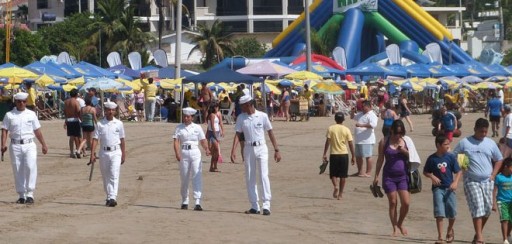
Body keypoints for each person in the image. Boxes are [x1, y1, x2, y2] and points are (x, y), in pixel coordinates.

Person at [453, 118, 503, 244]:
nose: (484, 134)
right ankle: (480, 237)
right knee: (478, 208)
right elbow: (457, 154)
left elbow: (499, 159)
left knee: (486, 210)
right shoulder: (465, 142)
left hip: (488, 180)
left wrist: (493, 174)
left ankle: (477, 234)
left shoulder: (490, 143)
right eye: (481, 131)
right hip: (471, 180)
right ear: (475, 129)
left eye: (486, 132)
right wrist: (464, 166)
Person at [230, 94, 281, 215]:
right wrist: (233, 150)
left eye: (242, 106)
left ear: (249, 105)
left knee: (263, 175)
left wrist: (276, 149)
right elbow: (237, 134)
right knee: (249, 176)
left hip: (261, 147)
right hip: (248, 148)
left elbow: (270, 132)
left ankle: (266, 205)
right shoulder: (241, 118)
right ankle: (254, 205)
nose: (241, 108)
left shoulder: (262, 116)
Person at [1, 92, 48, 204]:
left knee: (31, 167)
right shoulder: (9, 115)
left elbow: (37, 130)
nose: (21, 103)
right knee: (17, 169)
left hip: (29, 144)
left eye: (24, 101)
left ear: (26, 102)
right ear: (15, 102)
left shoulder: (31, 114)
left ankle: (30, 193)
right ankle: (21, 194)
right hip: (15, 144)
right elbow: (4, 130)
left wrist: (44, 144)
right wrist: (2, 144)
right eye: (19, 101)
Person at [373, 120, 417, 237]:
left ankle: (400, 223)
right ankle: (394, 227)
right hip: (389, 176)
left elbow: (414, 157)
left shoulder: (406, 141)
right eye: (397, 132)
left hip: (403, 176)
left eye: (401, 133)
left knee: (406, 203)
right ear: (391, 130)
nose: (398, 135)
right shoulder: (384, 141)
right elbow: (380, 160)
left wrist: (404, 151)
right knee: (393, 202)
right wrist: (376, 176)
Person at [423, 135, 462, 244]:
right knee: (439, 212)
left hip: (450, 189)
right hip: (437, 189)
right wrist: (431, 176)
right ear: (438, 145)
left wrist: (455, 182)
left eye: (448, 144)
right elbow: (425, 171)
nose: (448, 146)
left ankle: (449, 230)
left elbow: (458, 171)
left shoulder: (450, 157)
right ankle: (440, 237)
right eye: (446, 144)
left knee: (452, 212)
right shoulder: (432, 159)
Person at [89, 101, 126, 207]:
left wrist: (124, 153)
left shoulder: (119, 123)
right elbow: (95, 139)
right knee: (105, 176)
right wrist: (92, 153)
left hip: (116, 152)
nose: (110, 112)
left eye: (112, 110)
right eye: (109, 110)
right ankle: (109, 196)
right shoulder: (100, 124)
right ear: (105, 111)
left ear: (115, 111)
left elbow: (122, 139)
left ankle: (113, 197)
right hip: (103, 152)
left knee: (114, 174)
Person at [173, 107, 210, 211]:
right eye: (184, 116)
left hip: (195, 152)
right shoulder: (179, 128)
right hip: (184, 152)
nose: (185, 118)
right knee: (184, 177)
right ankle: (185, 200)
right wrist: (177, 153)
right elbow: (176, 141)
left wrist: (206, 149)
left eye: (188, 117)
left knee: (196, 175)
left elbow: (203, 140)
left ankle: (197, 201)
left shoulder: (197, 127)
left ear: (192, 118)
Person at [322, 112, 355, 200]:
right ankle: (340, 194)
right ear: (343, 120)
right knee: (343, 176)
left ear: (335, 119)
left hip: (334, 154)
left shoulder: (331, 128)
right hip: (344, 154)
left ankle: (335, 186)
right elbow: (351, 143)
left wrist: (324, 153)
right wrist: (353, 156)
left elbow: (328, 142)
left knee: (333, 174)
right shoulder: (346, 129)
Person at [350, 100, 378, 177]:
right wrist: (352, 111)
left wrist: (361, 125)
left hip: (367, 139)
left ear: (368, 106)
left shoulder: (372, 115)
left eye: (363, 106)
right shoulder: (361, 114)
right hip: (359, 139)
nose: (362, 108)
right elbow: (352, 117)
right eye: (361, 106)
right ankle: (360, 171)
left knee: (368, 156)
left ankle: (368, 172)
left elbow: (373, 125)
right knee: (358, 156)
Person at [493, 158, 512, 244]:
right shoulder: (499, 177)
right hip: (502, 201)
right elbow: (494, 190)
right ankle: (505, 239)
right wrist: (493, 203)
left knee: (511, 220)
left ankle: (508, 235)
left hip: (511, 201)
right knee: (505, 219)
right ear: (506, 167)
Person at [64, 88, 82, 158]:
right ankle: (78, 150)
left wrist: (65, 121)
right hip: (75, 119)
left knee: (71, 137)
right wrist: (81, 119)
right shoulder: (76, 102)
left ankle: (71, 152)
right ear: (76, 94)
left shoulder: (66, 102)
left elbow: (65, 112)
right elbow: (78, 111)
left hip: (69, 120)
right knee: (77, 136)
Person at [206, 103, 224, 172]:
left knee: (214, 151)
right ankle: (214, 166)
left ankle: (213, 167)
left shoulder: (216, 114)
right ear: (214, 108)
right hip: (213, 133)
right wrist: (215, 135)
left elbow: (218, 124)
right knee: (216, 149)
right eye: (216, 107)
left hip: (216, 132)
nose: (217, 108)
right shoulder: (212, 115)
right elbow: (212, 126)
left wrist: (222, 131)